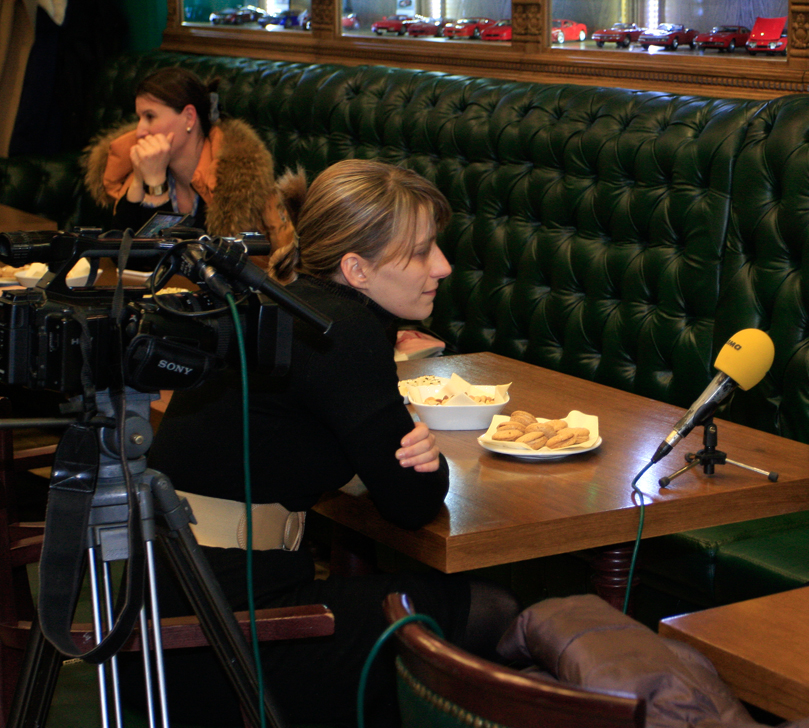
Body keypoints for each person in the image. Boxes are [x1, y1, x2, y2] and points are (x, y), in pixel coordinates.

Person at [138, 160, 518, 727]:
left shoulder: (283, 305)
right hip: (227, 635)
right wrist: (429, 460)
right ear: (356, 269)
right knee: (492, 609)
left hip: (163, 610)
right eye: (420, 253)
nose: (442, 265)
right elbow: (411, 503)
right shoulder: (341, 331)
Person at [83, 67, 292, 250]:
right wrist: (139, 180)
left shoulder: (234, 183)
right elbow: (123, 255)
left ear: (189, 117)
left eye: (150, 116)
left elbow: (176, 262)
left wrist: (156, 187)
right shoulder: (148, 165)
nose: (140, 131)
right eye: (139, 118)